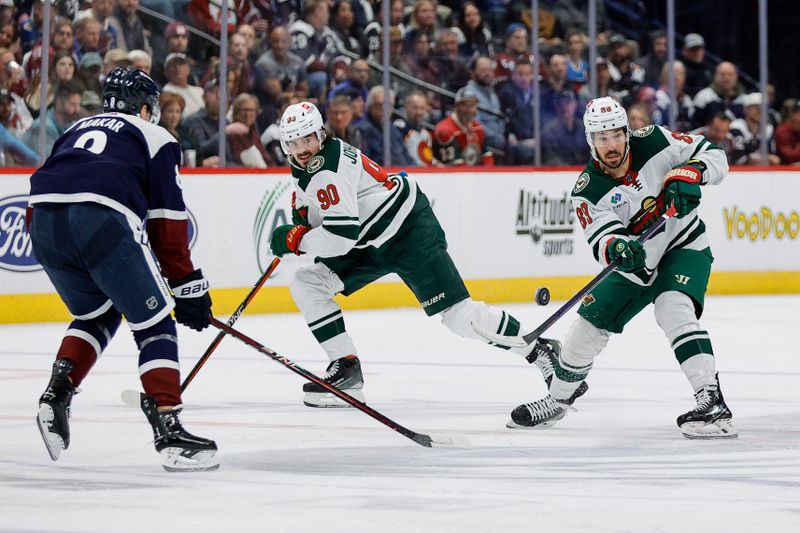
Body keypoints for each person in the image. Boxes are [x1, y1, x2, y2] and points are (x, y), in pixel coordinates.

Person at [270, 101, 563, 408]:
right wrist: (304, 222)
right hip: (369, 239)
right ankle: (346, 372)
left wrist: (296, 239)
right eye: (293, 142)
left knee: (458, 316)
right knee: (308, 283)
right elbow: (326, 215)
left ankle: (538, 350)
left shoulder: (326, 167)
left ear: (321, 134)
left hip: (405, 228)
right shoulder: (310, 162)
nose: (302, 148)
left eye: (307, 139)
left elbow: (341, 237)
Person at [507, 96, 737, 441]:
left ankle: (712, 403)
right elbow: (601, 237)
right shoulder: (587, 191)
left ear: (627, 132)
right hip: (635, 266)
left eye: (616, 135)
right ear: (590, 141)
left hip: (683, 244)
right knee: (585, 329)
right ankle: (558, 400)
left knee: (672, 308)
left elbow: (714, 155)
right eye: (601, 138)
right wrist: (617, 245)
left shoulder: (656, 140)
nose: (611, 145)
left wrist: (692, 172)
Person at [28, 67, 217, 472]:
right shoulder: (156, 136)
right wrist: (186, 287)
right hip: (98, 219)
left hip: (41, 221)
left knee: (96, 312)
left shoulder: (76, 127)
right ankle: (168, 424)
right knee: (154, 323)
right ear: (145, 106)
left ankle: (57, 393)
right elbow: (168, 224)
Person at [433, 85, 493, 166]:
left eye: (472, 105)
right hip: (449, 175)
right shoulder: (445, 130)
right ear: (456, 106)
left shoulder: (478, 128)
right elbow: (455, 166)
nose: (469, 110)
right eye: (465, 105)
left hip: (473, 174)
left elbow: (487, 156)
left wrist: (487, 173)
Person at [729, 92, 780, 165]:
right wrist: (765, 158)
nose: (760, 110)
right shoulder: (737, 126)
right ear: (745, 110)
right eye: (755, 107)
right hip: (738, 173)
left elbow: (774, 159)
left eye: (763, 107)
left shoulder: (768, 128)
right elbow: (740, 159)